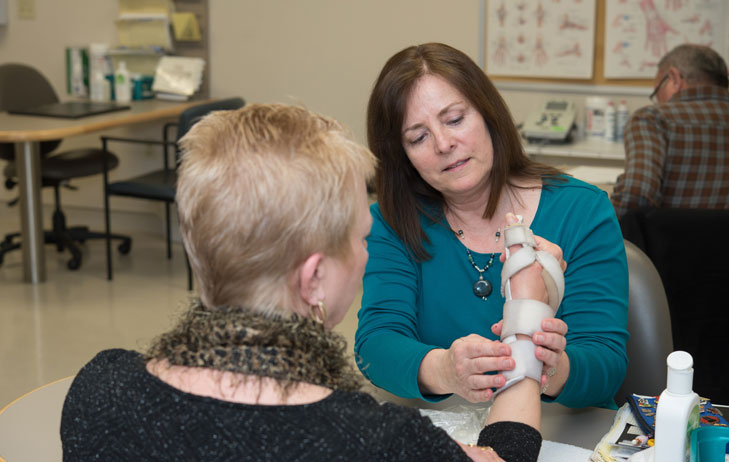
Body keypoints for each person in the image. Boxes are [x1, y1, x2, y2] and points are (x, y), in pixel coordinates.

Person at [60, 103, 547, 461]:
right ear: (314, 278)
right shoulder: (372, 442)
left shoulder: (100, 390)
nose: (366, 252)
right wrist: (527, 317)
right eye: (361, 238)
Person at [355, 42, 629, 410]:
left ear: (488, 113)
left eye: (454, 119)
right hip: (445, 430)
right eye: (418, 137)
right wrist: (445, 370)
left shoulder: (582, 209)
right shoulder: (391, 223)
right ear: (401, 156)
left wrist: (551, 367)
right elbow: (376, 345)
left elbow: (606, 363)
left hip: (564, 433)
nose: (444, 143)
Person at [611, 44, 729, 219]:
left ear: (674, 78)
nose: (658, 101)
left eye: (657, 91)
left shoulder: (653, 119)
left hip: (663, 245)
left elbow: (636, 196)